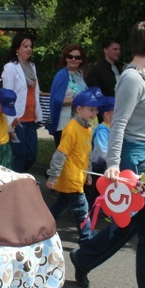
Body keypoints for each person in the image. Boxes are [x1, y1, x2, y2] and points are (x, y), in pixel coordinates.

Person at [68, 21, 145, 288]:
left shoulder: (142, 76)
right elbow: (118, 124)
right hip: (139, 166)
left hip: (144, 160)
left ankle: (84, 257)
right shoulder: (132, 78)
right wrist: (114, 165)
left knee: (131, 223)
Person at [46, 89, 100, 244]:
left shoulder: (88, 129)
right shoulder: (71, 128)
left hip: (79, 176)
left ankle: (43, 225)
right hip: (71, 177)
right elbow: (60, 153)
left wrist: (88, 175)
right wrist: (53, 176)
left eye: (96, 110)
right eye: (91, 109)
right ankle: (86, 238)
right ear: (79, 109)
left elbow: (87, 154)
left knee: (61, 205)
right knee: (82, 210)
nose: (94, 113)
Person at [2, 32, 44, 173]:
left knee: (31, 156)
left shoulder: (32, 66)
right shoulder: (10, 68)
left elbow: (35, 92)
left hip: (31, 118)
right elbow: (7, 95)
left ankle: (18, 178)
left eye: (30, 46)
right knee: (20, 156)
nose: (28, 49)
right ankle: (15, 184)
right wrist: (10, 122)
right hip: (17, 119)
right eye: (25, 46)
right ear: (17, 48)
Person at [47, 44, 88, 147]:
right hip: (64, 125)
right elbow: (56, 100)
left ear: (81, 60)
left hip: (79, 124)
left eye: (77, 57)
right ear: (66, 58)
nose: (73, 59)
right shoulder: (62, 75)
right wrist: (76, 100)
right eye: (70, 56)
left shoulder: (80, 74)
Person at [85, 96, 115, 208]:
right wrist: (115, 160)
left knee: (101, 191)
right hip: (98, 166)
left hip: (106, 166)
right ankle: (87, 211)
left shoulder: (112, 128)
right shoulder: (102, 130)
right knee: (96, 191)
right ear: (107, 114)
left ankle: (95, 209)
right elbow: (103, 152)